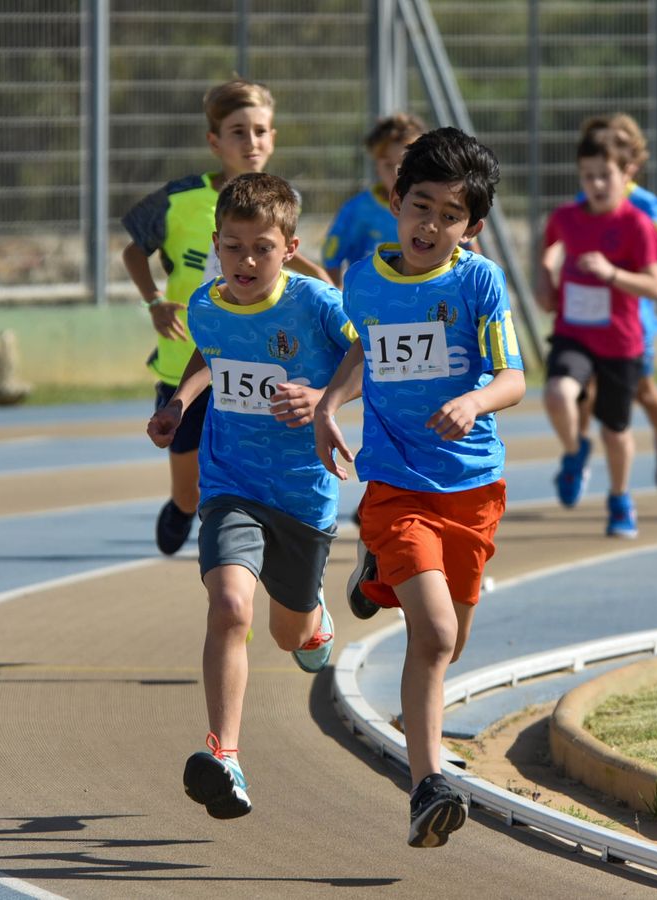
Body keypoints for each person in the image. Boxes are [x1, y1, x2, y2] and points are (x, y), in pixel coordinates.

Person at [313, 127, 525, 848]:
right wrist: (326, 404)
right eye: (420, 206)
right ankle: (428, 783)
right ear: (395, 201)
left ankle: (379, 576)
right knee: (430, 634)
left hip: (471, 487)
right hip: (396, 482)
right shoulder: (365, 278)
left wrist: (475, 401)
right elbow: (360, 349)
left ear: (472, 227)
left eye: (450, 214)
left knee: (451, 640)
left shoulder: (477, 282)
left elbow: (514, 377)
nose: (430, 225)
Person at [147, 173, 355, 820]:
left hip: (303, 493)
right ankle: (226, 756)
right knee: (230, 605)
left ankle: (313, 617)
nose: (245, 261)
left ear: (289, 247)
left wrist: (324, 400)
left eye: (261, 247)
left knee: (289, 634)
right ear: (216, 245)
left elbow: (369, 359)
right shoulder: (208, 303)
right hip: (231, 483)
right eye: (232, 247)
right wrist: (180, 403)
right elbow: (209, 352)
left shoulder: (318, 303)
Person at [124, 78, 330, 557]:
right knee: (189, 487)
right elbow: (134, 250)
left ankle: (251, 543)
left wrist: (316, 274)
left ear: (273, 137)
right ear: (215, 141)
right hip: (189, 359)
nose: (251, 142)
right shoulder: (179, 199)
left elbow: (276, 250)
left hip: (257, 361)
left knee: (251, 471)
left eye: (260, 131)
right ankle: (180, 506)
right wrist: (154, 301)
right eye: (238, 132)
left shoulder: (284, 197)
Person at [535, 124, 657, 538]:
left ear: (626, 174)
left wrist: (611, 273)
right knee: (557, 393)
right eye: (587, 175)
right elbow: (546, 299)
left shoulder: (637, 224)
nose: (595, 184)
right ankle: (575, 452)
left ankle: (620, 497)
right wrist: (545, 269)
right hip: (573, 334)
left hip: (619, 341)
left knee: (616, 431)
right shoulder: (564, 220)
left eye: (604, 175)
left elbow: (655, 286)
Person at [556, 114, 657, 500]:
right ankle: (578, 457)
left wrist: (631, 249)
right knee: (582, 392)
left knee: (643, 391)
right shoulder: (585, 201)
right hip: (587, 317)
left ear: (630, 165)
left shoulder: (645, 207)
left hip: (633, 318)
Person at [322, 113, 428, 287]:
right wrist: (337, 304)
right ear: (376, 165)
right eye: (387, 164)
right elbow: (331, 258)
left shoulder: (437, 206)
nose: (396, 172)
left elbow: (469, 250)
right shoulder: (357, 210)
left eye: (405, 162)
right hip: (371, 308)